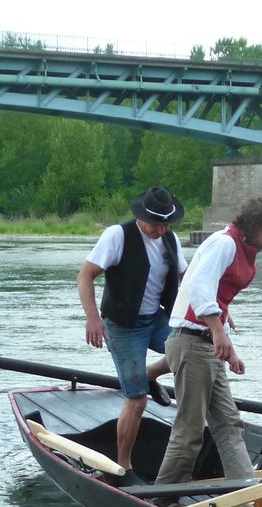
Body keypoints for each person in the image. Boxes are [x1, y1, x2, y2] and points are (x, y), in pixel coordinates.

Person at [154, 197, 262, 488]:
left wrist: (228, 347)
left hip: (205, 346)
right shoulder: (225, 244)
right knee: (189, 431)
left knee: (229, 424)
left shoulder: (239, 246)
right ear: (254, 226)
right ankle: (162, 495)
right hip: (192, 344)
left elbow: (218, 295)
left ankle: (244, 494)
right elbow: (199, 286)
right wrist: (217, 331)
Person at [77, 186, 187, 474]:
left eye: (166, 224)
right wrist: (92, 319)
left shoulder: (170, 239)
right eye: (155, 224)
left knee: (192, 349)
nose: (161, 230)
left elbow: (186, 279)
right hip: (124, 325)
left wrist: (214, 311)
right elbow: (85, 276)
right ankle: (122, 464)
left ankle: (150, 374)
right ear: (140, 217)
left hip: (157, 319)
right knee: (137, 400)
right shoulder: (117, 236)